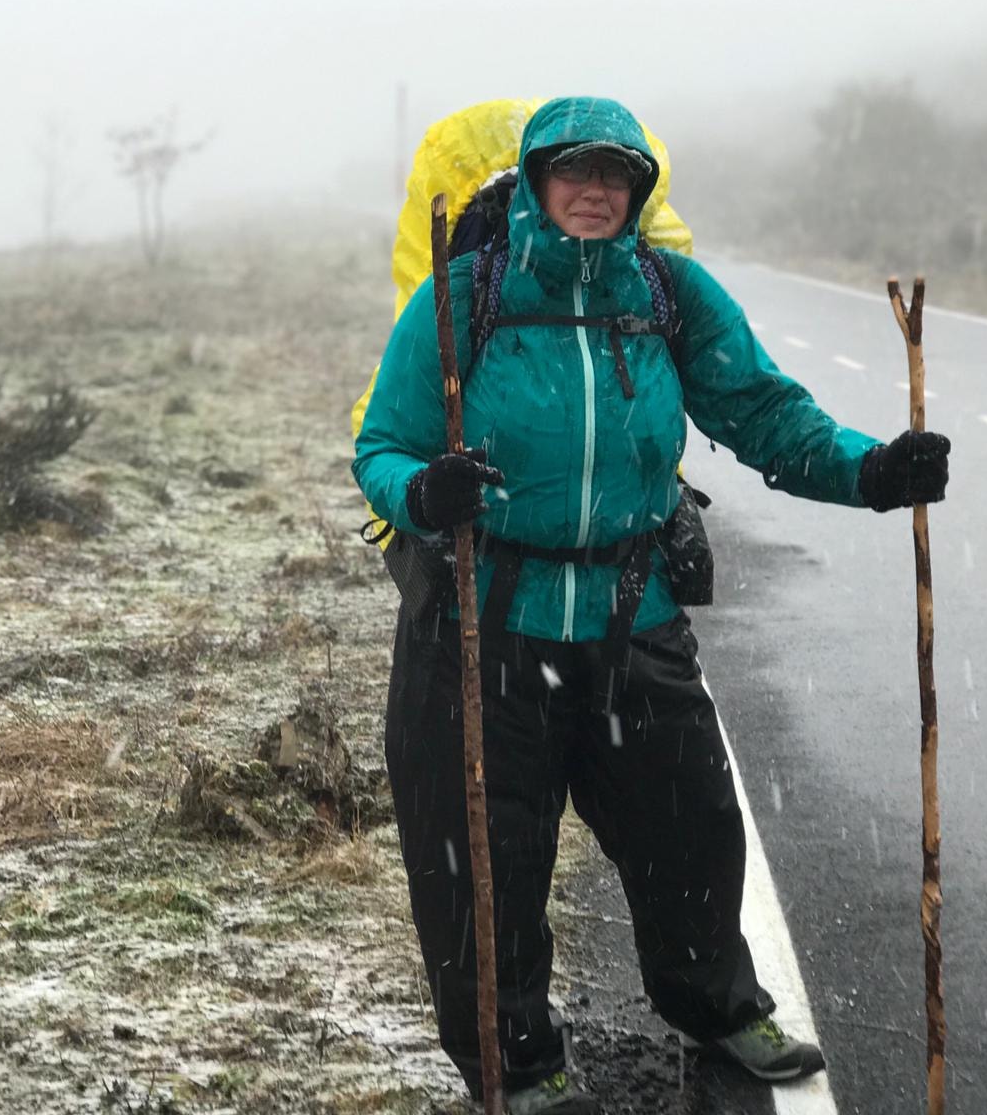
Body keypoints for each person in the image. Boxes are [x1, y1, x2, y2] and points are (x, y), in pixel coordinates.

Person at [351, 96, 950, 1114]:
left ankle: (718, 1010)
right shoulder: (462, 300)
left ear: (639, 192)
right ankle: (519, 1069)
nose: (595, 190)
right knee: (482, 869)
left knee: (692, 833)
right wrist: (422, 492)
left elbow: (763, 415)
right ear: (537, 180)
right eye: (575, 171)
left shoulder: (667, 294)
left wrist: (873, 472)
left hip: (632, 616)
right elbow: (381, 445)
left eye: (617, 176)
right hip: (482, 623)